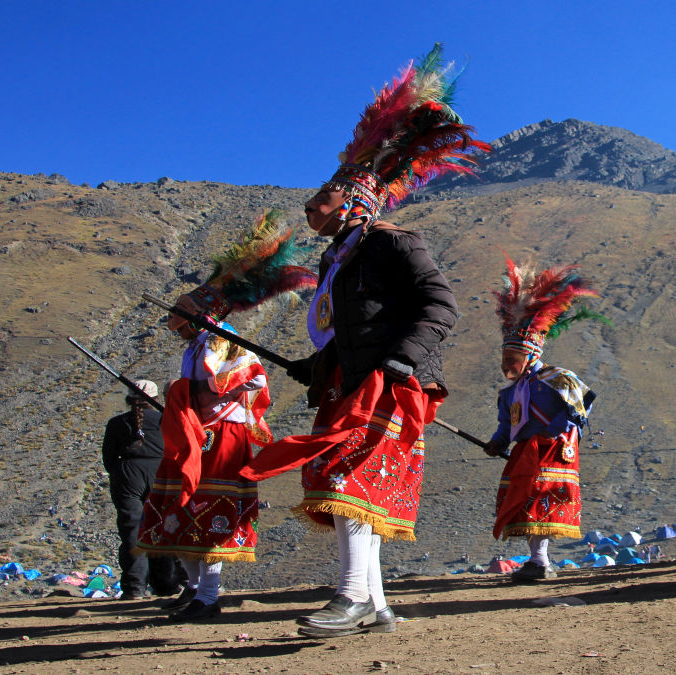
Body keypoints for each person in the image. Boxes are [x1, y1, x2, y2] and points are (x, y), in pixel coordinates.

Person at [240, 45, 482, 637]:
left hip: (391, 382)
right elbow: (350, 325)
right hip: (354, 380)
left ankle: (350, 599)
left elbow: (440, 305)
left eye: (323, 192)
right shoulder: (337, 257)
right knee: (355, 487)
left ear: (352, 198)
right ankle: (374, 606)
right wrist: (318, 364)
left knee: (347, 481)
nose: (311, 202)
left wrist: (401, 361)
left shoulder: (393, 243)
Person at [137, 211, 309, 621]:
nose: (170, 320)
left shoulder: (223, 341)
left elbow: (243, 380)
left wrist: (191, 397)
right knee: (183, 503)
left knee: (208, 507)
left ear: (198, 312)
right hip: (195, 433)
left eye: (177, 312)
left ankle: (209, 595)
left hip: (220, 437)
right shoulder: (194, 346)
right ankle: (195, 587)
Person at [484, 257, 603, 582]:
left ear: (531, 355)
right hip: (526, 452)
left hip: (553, 451)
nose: (508, 364)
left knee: (543, 501)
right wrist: (497, 442)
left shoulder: (558, 379)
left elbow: (582, 407)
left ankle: (541, 560)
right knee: (524, 500)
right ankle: (538, 560)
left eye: (514, 358)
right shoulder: (509, 393)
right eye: (505, 358)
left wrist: (563, 434)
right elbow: (506, 425)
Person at [101, 380, 181, 600]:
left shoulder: (116, 423)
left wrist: (120, 474)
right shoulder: (166, 420)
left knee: (132, 531)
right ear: (154, 399)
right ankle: (166, 585)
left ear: (129, 398)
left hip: (127, 476)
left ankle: (134, 587)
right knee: (163, 529)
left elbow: (108, 460)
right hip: (160, 474)